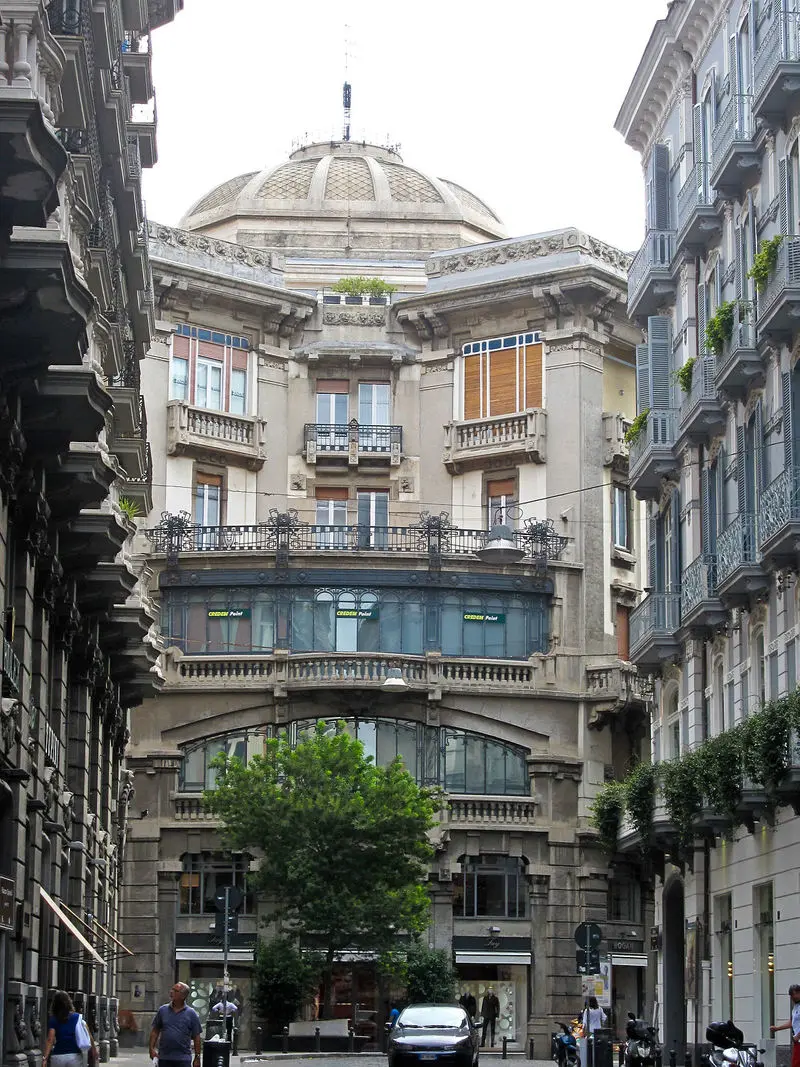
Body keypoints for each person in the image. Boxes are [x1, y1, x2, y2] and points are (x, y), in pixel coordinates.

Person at [150, 983, 202, 1067]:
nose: (171, 992)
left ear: (183, 996)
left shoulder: (191, 1013)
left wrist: (197, 1057)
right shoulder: (163, 1010)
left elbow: (197, 1037)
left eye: (175, 991)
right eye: (172, 989)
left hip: (183, 1058)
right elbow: (155, 1031)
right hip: (164, 1057)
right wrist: (151, 1049)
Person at [43, 991, 98, 1067]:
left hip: (58, 1056)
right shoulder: (77, 1017)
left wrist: (45, 1058)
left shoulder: (54, 1019)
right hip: (74, 1056)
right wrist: (94, 1050)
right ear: (69, 1002)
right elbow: (89, 1035)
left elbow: (50, 1039)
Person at [770, 984, 800, 1067]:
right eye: (791, 995)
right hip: (797, 1042)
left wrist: (798, 1036)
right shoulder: (796, 1007)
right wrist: (777, 1028)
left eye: (796, 994)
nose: (794, 997)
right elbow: (791, 1022)